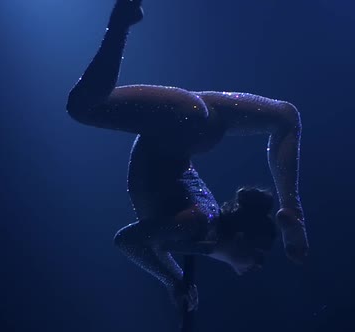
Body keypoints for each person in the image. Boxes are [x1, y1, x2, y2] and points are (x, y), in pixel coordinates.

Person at [66, 0, 308, 312]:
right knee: (83, 107)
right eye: (259, 255)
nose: (258, 265)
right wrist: (173, 280)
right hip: (180, 125)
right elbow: (129, 241)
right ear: (243, 237)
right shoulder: (200, 224)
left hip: (197, 126)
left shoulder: (199, 232)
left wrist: (178, 280)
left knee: (287, 117)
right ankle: (122, 19)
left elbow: (155, 242)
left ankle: (293, 208)